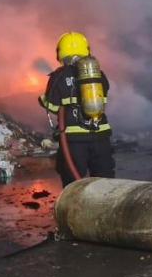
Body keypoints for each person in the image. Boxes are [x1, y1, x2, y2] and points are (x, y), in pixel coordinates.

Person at [39, 32, 115, 186]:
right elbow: (103, 99)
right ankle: (105, 207)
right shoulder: (97, 73)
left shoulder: (58, 76)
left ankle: (75, 208)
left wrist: (42, 100)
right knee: (105, 180)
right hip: (100, 135)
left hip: (74, 140)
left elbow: (53, 106)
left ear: (61, 52)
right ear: (86, 50)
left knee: (73, 183)